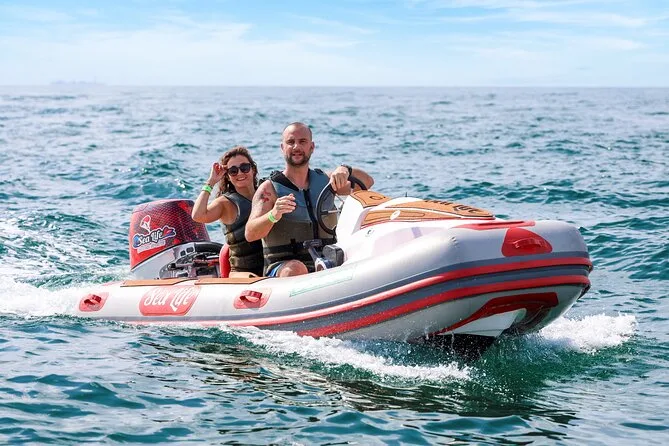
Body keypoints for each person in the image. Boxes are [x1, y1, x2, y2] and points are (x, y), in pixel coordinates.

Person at [245, 122, 374, 277]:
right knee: (296, 269)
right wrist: (273, 214)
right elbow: (250, 233)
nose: (296, 147)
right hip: (284, 267)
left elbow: (367, 182)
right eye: (290, 142)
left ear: (311, 147)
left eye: (302, 142)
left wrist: (346, 169)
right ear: (282, 147)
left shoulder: (327, 182)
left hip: (328, 260)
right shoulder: (269, 189)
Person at [191, 146, 264, 277]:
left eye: (244, 168)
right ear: (228, 176)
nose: (240, 173)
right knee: (255, 279)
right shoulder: (225, 203)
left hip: (270, 266)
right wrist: (211, 182)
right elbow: (198, 215)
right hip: (243, 273)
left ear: (253, 169)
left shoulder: (267, 193)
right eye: (233, 171)